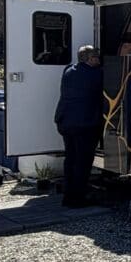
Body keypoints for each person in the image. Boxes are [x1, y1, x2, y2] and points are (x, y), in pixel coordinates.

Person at [53, 45, 104, 208]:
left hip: (66, 121)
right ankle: (77, 198)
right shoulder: (96, 74)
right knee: (83, 162)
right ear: (90, 59)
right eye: (96, 57)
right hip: (85, 124)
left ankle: (68, 195)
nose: (99, 60)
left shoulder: (69, 71)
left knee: (71, 159)